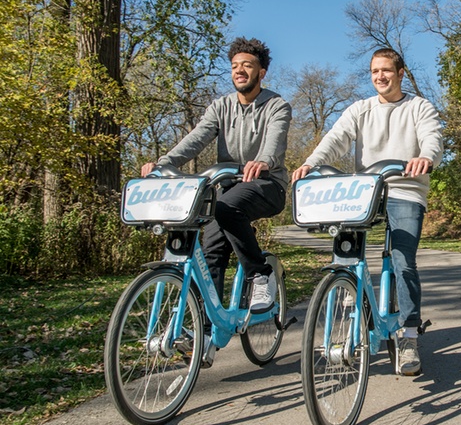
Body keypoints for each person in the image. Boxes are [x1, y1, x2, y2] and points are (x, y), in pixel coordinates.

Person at [292, 47, 443, 376]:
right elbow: (336, 138)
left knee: (403, 261)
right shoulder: (360, 109)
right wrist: (311, 164)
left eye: (386, 70)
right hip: (366, 191)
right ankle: (347, 300)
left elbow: (433, 138)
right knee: (346, 255)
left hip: (406, 188)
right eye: (375, 71)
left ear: (400, 73)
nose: (380, 77)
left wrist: (425, 158)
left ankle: (409, 335)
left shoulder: (419, 107)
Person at [141, 37, 291, 354]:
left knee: (225, 208)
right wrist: (163, 164)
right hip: (227, 188)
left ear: (261, 72)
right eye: (235, 66)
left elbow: (274, 141)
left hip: (267, 184)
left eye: (247, 66)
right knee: (210, 250)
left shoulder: (277, 105)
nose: (240, 71)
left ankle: (260, 274)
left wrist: (263, 161)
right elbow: (196, 138)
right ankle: (207, 332)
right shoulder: (221, 107)